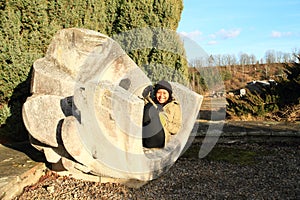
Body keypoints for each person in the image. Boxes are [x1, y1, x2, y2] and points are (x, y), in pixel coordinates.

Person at [142, 80, 181, 148]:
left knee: (150, 107)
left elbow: (176, 129)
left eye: (164, 93)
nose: (161, 96)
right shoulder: (152, 102)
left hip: (160, 138)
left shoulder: (174, 106)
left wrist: (164, 122)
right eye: (159, 93)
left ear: (169, 94)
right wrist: (146, 97)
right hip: (147, 134)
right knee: (149, 107)